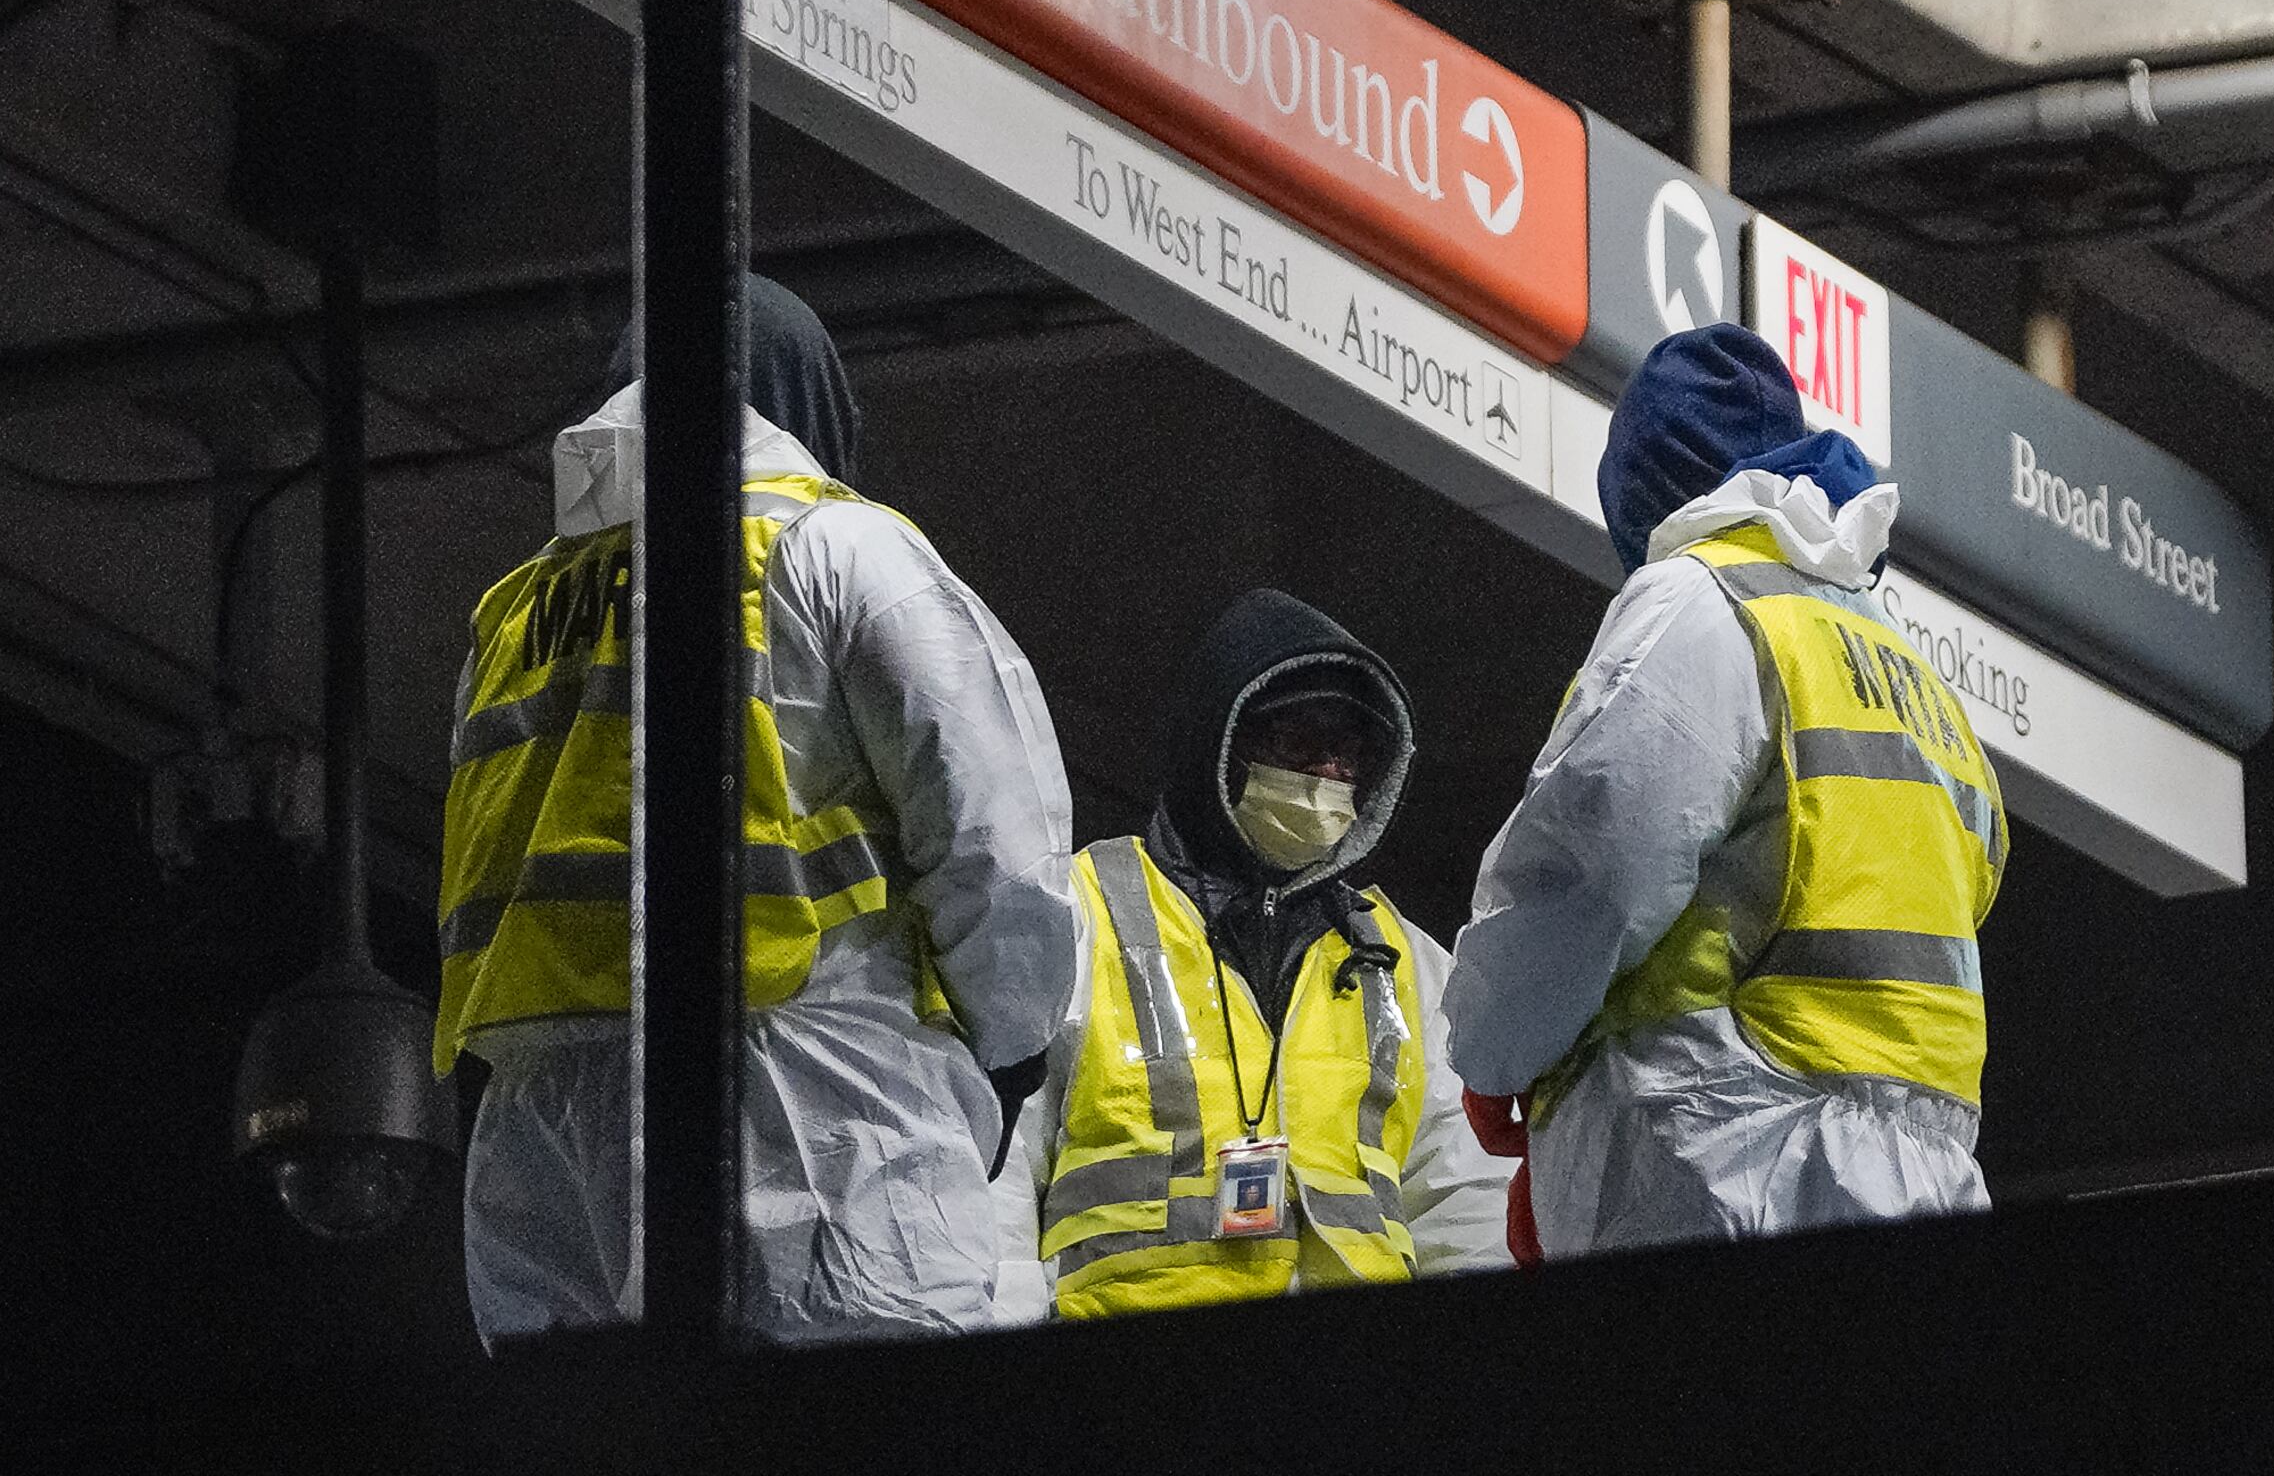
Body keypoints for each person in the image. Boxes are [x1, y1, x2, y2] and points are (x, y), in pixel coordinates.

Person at [434, 276, 1079, 1343]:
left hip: (541, 1144)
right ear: (803, 405)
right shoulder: (839, 550)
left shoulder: (510, 616)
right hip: (806, 1111)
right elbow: (992, 842)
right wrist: (1009, 1051)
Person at [1445, 325, 2007, 1256]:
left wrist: (1500, 1045)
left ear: (1645, 488)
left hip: (1733, 1160)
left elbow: (1594, 858)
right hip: (1928, 1172)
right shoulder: (1912, 672)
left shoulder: (1701, 602)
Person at [998, 589, 1510, 1317]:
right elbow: (996, 1165)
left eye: (1352, 754)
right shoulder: (1079, 915)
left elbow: (1465, 1195)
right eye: (1300, 743)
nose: (1329, 775)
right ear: (1220, 742)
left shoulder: (1402, 960)